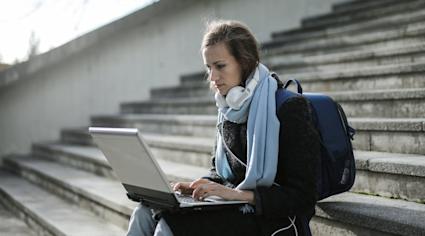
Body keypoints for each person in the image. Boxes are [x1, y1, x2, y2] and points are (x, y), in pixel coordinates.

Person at [127, 20, 321, 236]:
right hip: (234, 208)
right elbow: (222, 173)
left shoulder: (289, 108)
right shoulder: (229, 107)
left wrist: (237, 195)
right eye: (208, 67)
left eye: (220, 66)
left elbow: (303, 197)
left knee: (169, 227)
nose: (213, 78)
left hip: (275, 220)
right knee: (144, 212)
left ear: (245, 62)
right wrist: (199, 186)